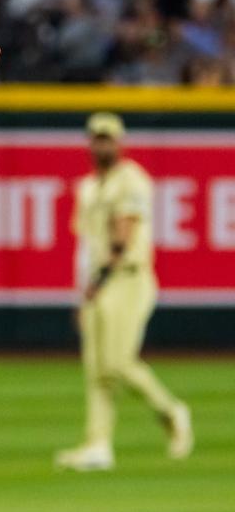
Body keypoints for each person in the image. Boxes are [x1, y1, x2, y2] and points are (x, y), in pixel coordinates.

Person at [55, 112, 192, 471]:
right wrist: (81, 290)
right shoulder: (87, 186)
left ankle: (171, 409)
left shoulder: (131, 179)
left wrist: (96, 281)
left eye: (108, 138)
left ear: (120, 142)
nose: (101, 144)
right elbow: (86, 244)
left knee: (117, 362)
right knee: (96, 370)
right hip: (98, 282)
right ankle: (98, 445)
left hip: (128, 278)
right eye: (96, 138)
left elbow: (122, 235)